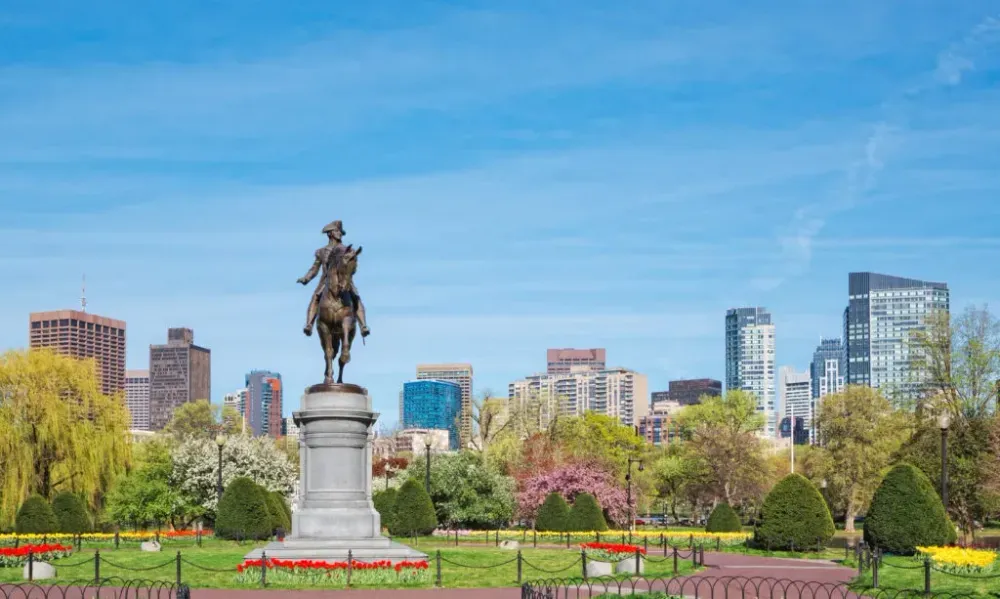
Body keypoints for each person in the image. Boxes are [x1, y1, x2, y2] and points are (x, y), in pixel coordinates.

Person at [297, 220, 370, 338]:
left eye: (340, 231)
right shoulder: (321, 252)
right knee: (315, 297)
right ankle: (309, 324)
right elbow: (315, 268)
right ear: (330, 233)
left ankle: (363, 326)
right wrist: (306, 278)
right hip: (325, 282)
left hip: (344, 280)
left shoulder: (347, 250)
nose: (340, 233)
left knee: (356, 297)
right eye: (337, 231)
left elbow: (352, 267)